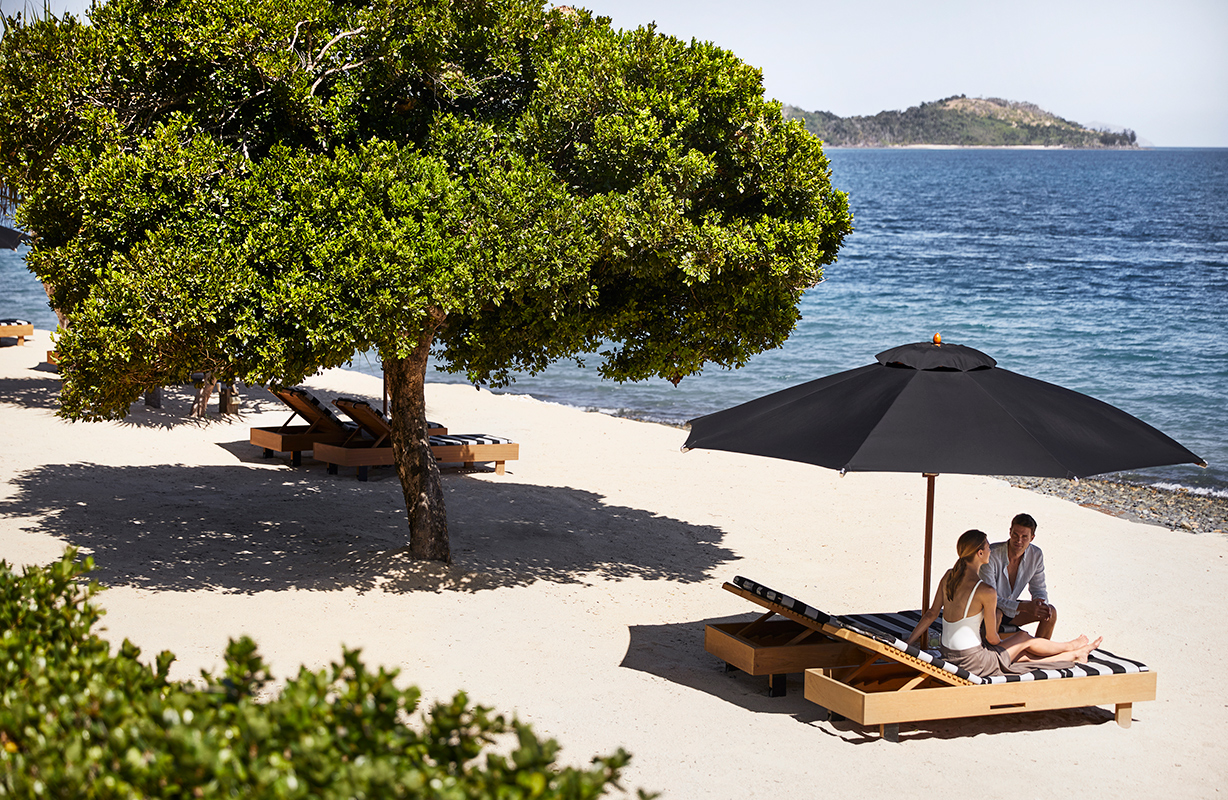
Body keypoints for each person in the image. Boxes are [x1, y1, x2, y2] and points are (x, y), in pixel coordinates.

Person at [905, 529, 1100, 677]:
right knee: (1023, 638)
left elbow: (931, 614)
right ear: (980, 553)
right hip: (973, 661)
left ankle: (1075, 652)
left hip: (947, 653)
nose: (991, 550)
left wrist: (908, 643)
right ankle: (1071, 648)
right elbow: (992, 638)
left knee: (1021, 655)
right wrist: (1005, 646)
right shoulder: (986, 591)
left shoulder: (949, 576)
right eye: (988, 547)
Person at [979, 512, 1056, 639]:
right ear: (1010, 532)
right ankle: (990, 654)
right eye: (1015, 534)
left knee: (1050, 612)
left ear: (1032, 538)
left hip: (1011, 610)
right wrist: (1023, 606)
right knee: (996, 614)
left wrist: (1040, 603)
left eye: (1024, 536)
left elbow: (1039, 589)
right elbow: (990, 599)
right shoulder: (992, 554)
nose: (1019, 540)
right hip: (986, 610)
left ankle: (1040, 653)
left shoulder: (1036, 555)